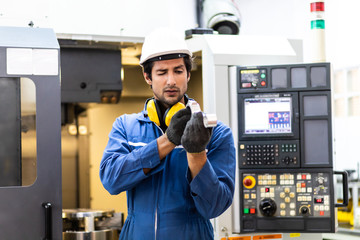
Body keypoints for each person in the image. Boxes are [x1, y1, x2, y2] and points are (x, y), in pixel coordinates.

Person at [100, 28, 236, 240]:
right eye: (162, 73)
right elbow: (111, 180)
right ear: (148, 77)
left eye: (178, 71)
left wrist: (197, 152)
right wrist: (167, 141)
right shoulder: (126, 126)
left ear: (188, 74)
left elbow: (215, 207)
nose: (171, 81)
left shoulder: (215, 132)